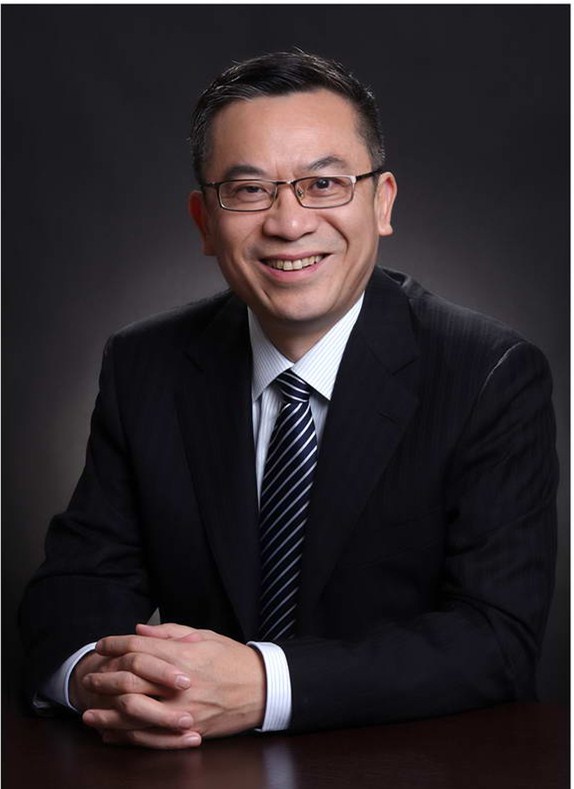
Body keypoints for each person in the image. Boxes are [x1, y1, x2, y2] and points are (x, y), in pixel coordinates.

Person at [20, 51, 558, 750]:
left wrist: (264, 683)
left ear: (382, 202)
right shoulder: (146, 365)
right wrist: (99, 678)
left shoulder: (488, 373)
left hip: (416, 764)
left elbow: (498, 639)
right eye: (248, 191)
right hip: (195, 765)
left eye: (324, 183)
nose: (289, 222)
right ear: (204, 221)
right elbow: (73, 592)